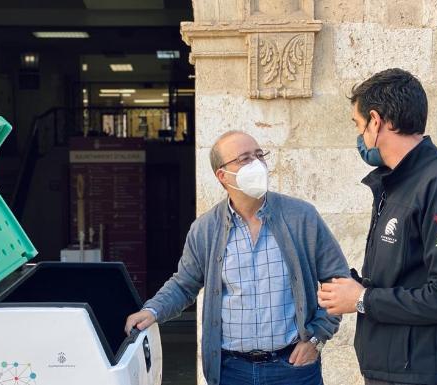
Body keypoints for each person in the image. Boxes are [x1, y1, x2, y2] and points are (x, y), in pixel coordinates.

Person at [125, 130, 349, 385]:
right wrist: (153, 310)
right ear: (222, 175)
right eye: (244, 158)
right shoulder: (206, 229)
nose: (257, 164)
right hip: (231, 371)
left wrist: (317, 337)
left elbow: (338, 281)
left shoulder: (301, 217)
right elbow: (183, 284)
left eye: (259, 155)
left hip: (293, 368)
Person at [317, 68, 437, 385]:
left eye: (359, 125)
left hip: (423, 374)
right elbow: (403, 276)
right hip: (390, 370)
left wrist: (363, 298)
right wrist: (348, 287)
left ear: (376, 121)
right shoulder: (394, 184)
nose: (360, 137)